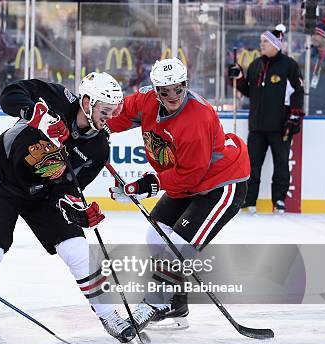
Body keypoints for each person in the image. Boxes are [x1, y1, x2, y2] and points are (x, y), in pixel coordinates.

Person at [0, 72, 139, 344]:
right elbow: (10, 95)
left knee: (77, 249)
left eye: (114, 112)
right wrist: (37, 116)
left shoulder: (99, 147)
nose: (109, 118)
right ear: (87, 102)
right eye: (105, 111)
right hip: (1, 183)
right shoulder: (55, 97)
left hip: (43, 195)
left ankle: (109, 315)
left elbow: (67, 189)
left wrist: (78, 212)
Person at [107, 57, 250, 330]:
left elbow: (190, 175)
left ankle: (154, 301)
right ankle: (176, 302)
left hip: (220, 183)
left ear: (186, 84)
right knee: (156, 235)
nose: (172, 95)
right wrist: (94, 128)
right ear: (155, 89)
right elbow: (119, 114)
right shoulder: (146, 100)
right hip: (187, 179)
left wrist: (148, 184)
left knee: (177, 246)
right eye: (165, 90)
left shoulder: (197, 118)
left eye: (178, 88)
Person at [228, 26, 304, 214]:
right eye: (261, 41)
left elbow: (298, 93)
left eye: (265, 42)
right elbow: (248, 91)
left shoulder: (289, 66)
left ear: (276, 44)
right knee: (252, 164)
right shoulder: (255, 65)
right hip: (257, 126)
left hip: (280, 126)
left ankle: (278, 200)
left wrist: (294, 118)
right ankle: (249, 200)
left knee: (281, 164)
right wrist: (237, 78)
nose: (261, 45)